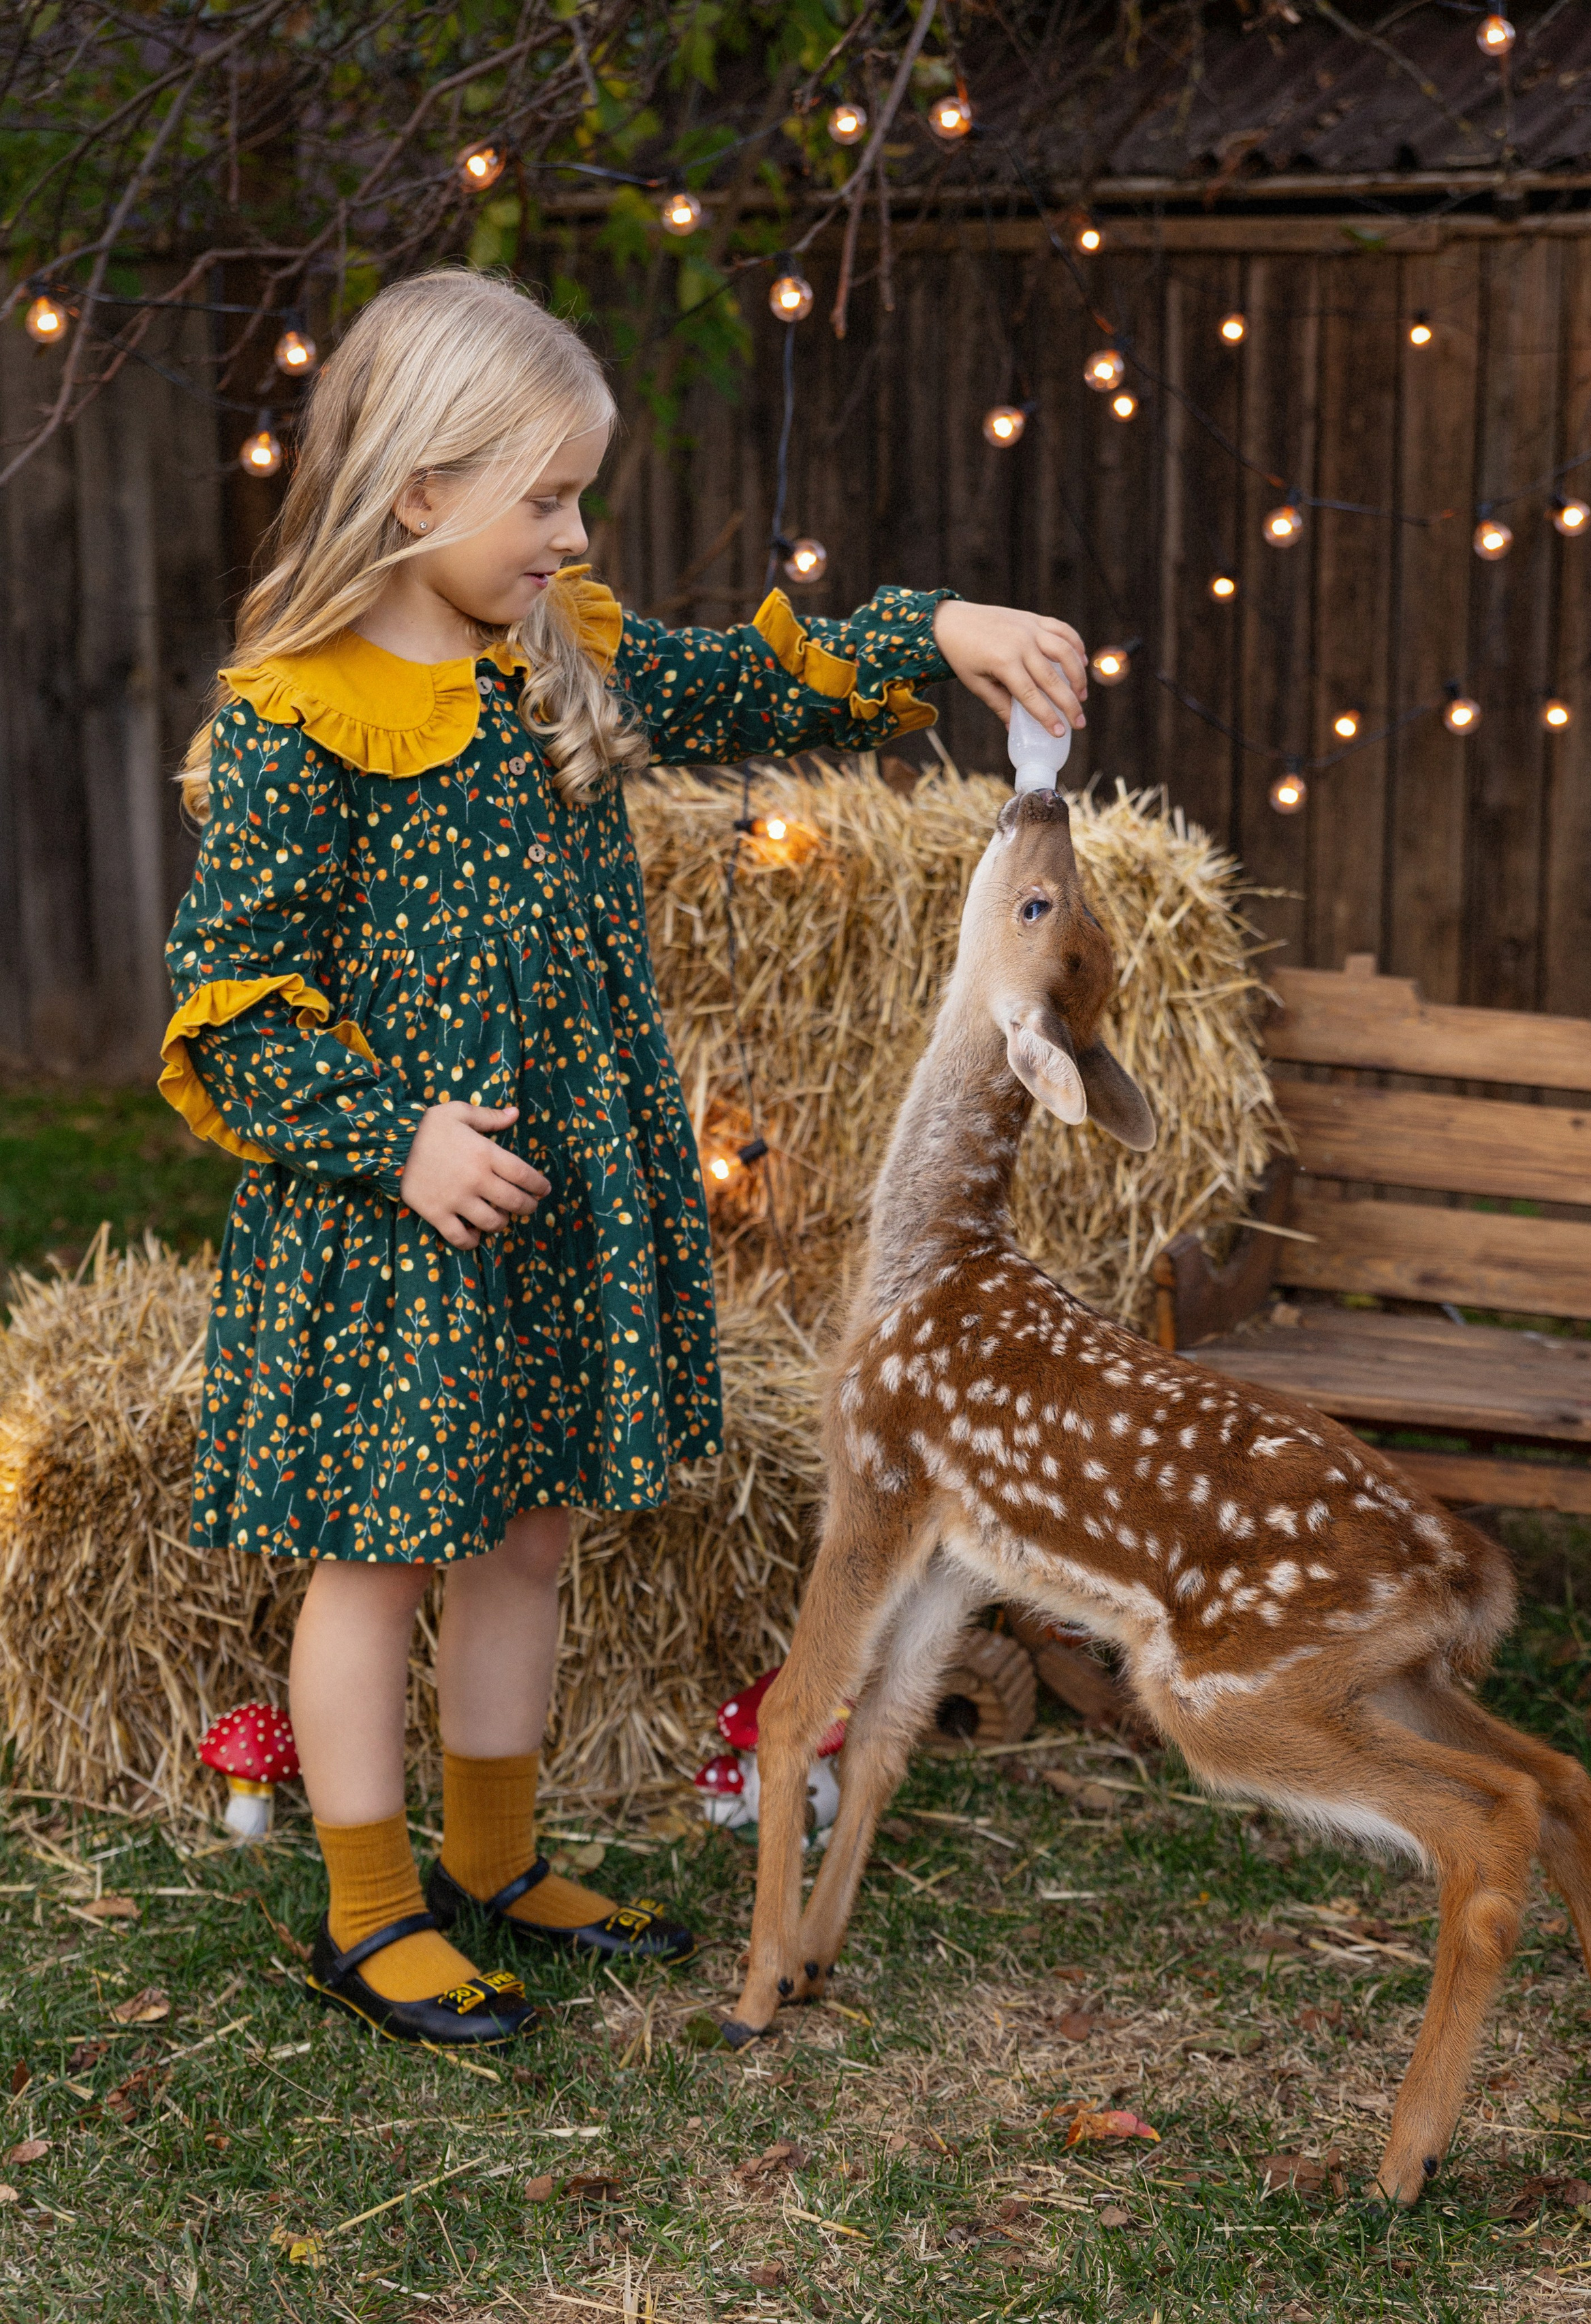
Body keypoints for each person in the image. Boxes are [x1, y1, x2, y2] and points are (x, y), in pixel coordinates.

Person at [161, 268, 1088, 2048]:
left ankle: (496, 1862)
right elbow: (232, 1003)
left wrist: (941, 625)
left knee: (525, 1536)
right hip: (400, 1226)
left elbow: (751, 675)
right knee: (374, 1559)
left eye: (580, 494)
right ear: (416, 490)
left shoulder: (560, 647)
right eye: (547, 496)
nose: (575, 531)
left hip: (566, 1185)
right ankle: (370, 1910)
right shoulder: (301, 718)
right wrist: (395, 1135)